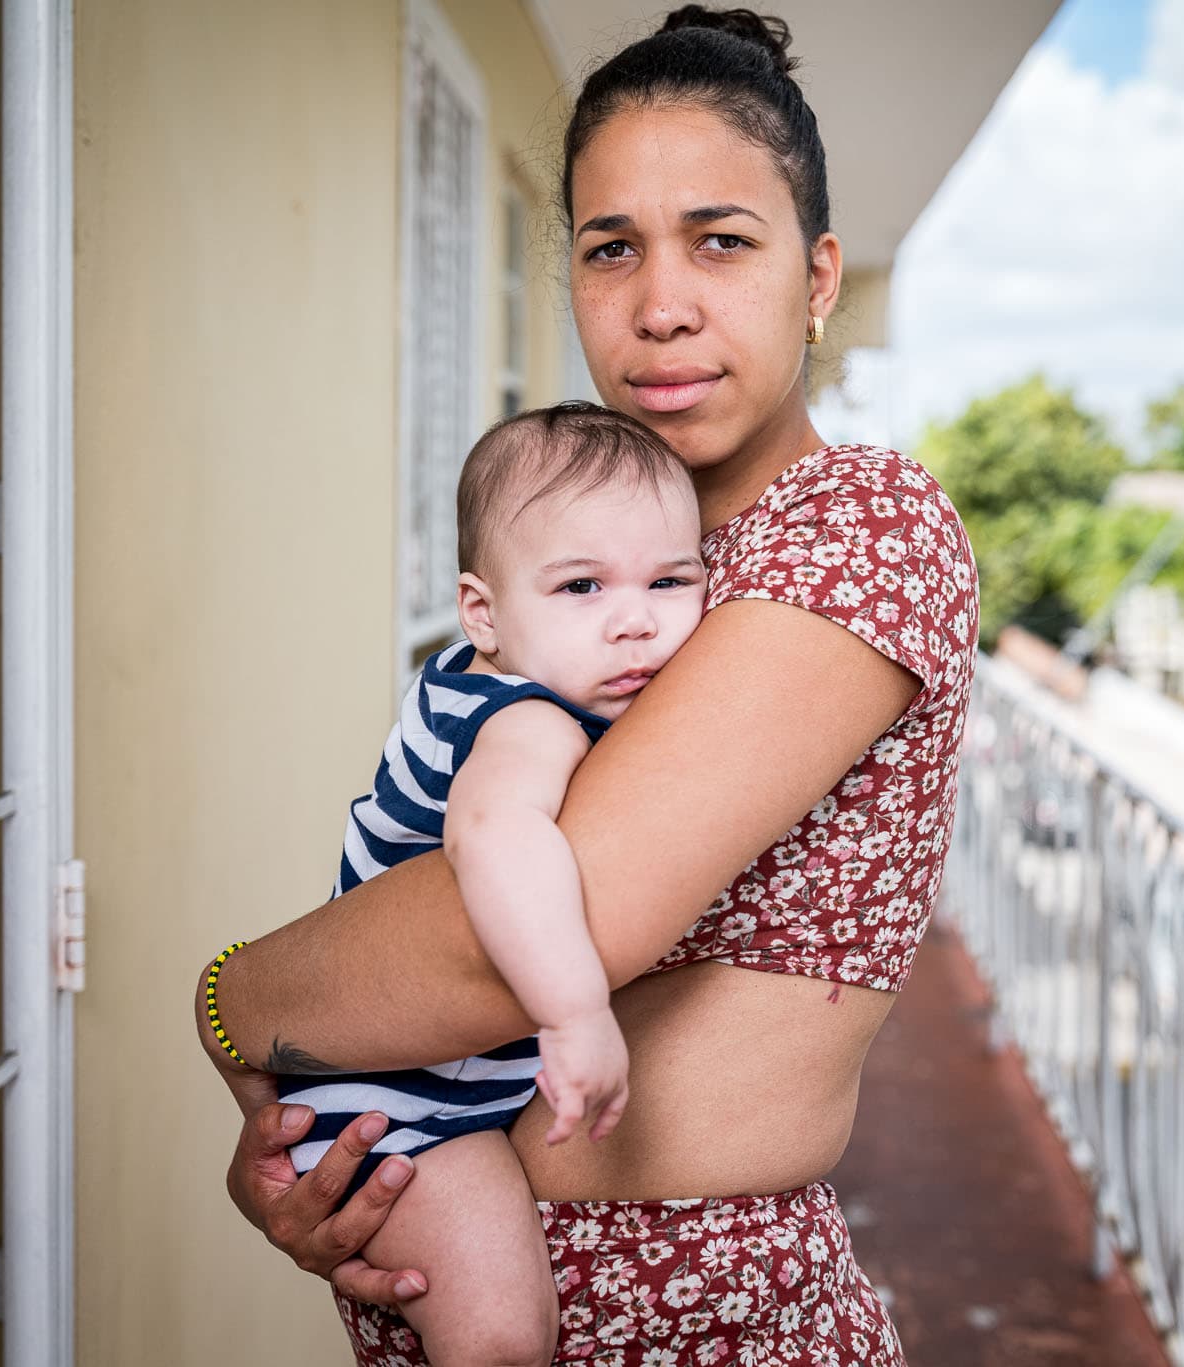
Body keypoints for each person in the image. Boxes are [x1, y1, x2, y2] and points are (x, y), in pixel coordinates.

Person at [196, 7, 978, 1363]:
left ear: (819, 275)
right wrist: (305, 1131)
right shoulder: (597, 562)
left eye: (721, 240)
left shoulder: (856, 527)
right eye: (612, 247)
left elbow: (516, 927)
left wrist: (231, 1000)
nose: (661, 301)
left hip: (709, 1321)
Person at [205, 402, 708, 1364]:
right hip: (400, 1106)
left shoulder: (503, 675)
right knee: (501, 1338)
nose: (636, 618)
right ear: (484, 611)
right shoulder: (526, 719)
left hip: (422, 1079)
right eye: (582, 586)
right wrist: (573, 1013)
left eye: (671, 579)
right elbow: (495, 835)